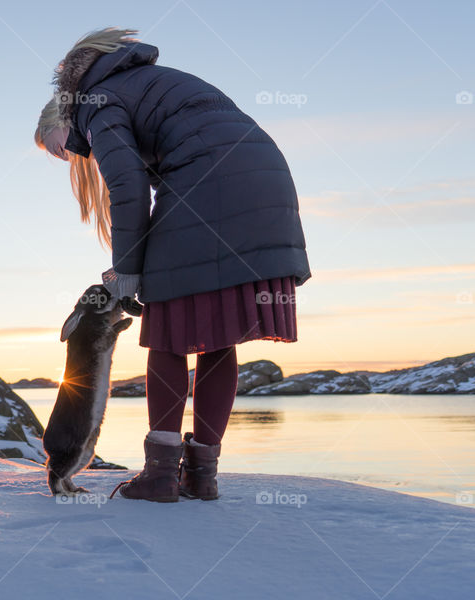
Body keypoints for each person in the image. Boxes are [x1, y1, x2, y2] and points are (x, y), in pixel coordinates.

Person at [34, 28, 311, 502]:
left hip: (210, 190)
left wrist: (127, 274)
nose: (70, 155)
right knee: (216, 336)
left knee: (166, 332)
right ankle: (202, 474)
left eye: (57, 146)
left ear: (61, 115)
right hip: (267, 192)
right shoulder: (150, 81)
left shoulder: (92, 103)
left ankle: (160, 476)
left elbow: (127, 186)